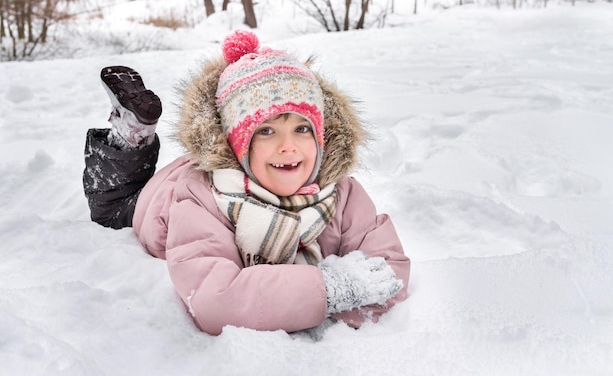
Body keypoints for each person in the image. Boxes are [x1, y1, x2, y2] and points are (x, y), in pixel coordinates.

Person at [83, 30, 410, 337]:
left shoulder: (342, 193)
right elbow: (216, 300)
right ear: (238, 143)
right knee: (112, 207)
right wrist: (330, 291)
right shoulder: (202, 199)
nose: (288, 146)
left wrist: (315, 300)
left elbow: (388, 272)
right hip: (152, 204)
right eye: (266, 131)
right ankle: (132, 135)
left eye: (302, 129)